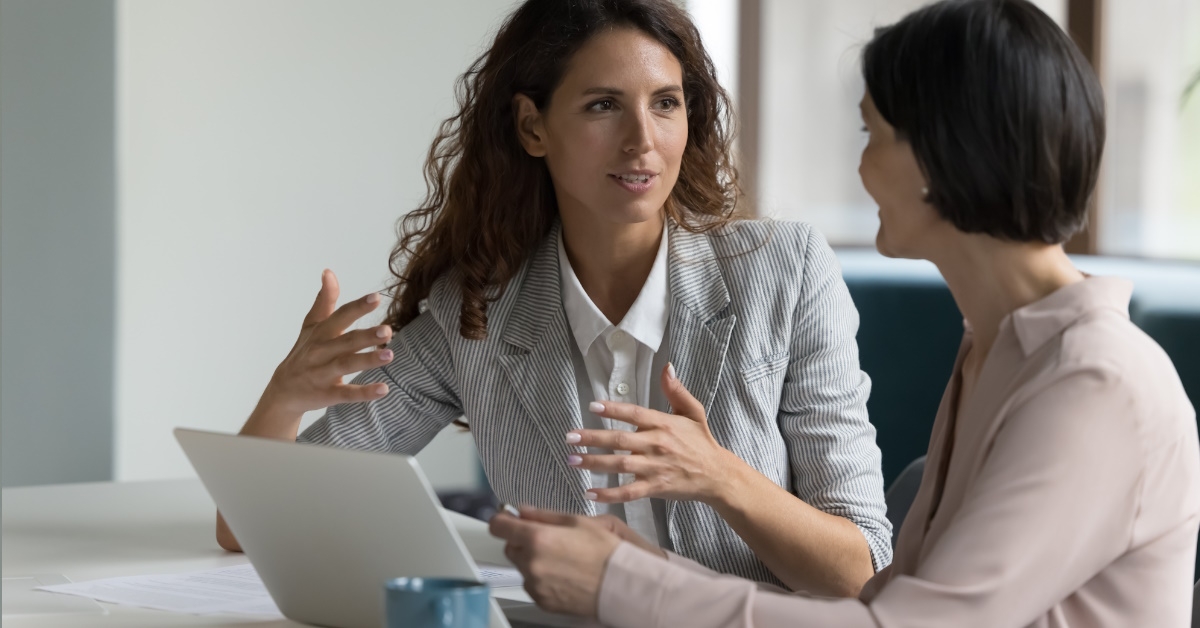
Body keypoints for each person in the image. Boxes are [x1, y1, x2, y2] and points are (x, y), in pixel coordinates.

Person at [488, 0, 1200, 625]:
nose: (861, 170)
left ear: (939, 158)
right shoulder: (996, 349)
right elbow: (884, 599)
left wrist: (622, 584)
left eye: (871, 137)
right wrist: (631, 560)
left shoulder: (1094, 382)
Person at [215, 0, 893, 595]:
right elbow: (250, 528)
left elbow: (860, 569)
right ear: (533, 127)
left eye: (665, 102)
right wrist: (287, 396)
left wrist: (719, 475)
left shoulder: (785, 271)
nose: (643, 141)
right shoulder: (474, 313)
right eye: (603, 105)